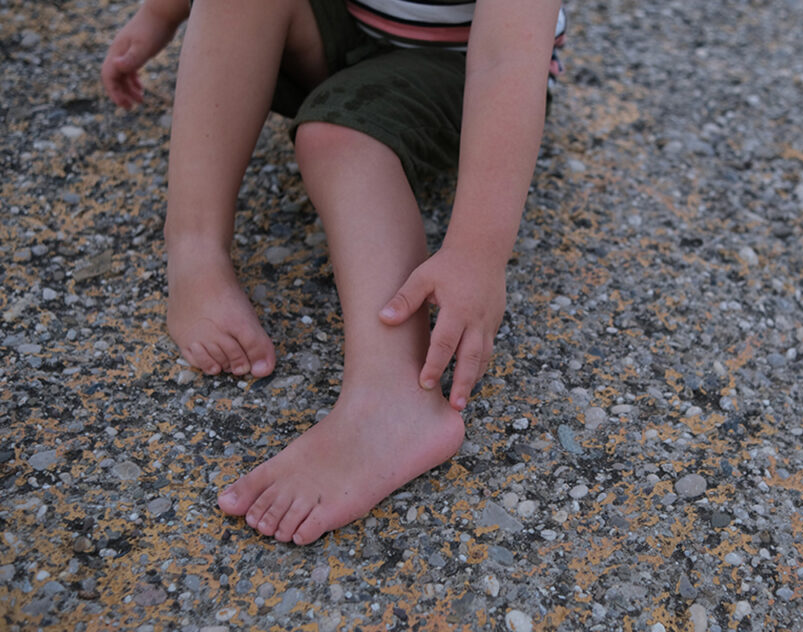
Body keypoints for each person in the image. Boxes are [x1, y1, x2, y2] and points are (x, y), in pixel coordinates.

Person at [102, 0, 564, 545]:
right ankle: (195, 246)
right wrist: (163, 13)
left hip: (463, 71)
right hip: (339, 25)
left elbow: (507, 60)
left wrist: (476, 253)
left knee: (336, 138)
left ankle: (394, 397)